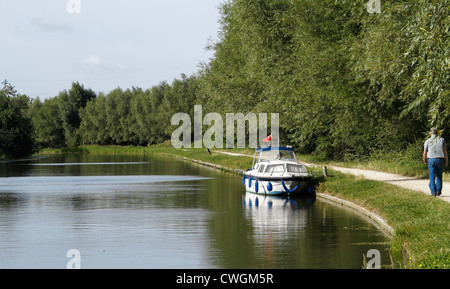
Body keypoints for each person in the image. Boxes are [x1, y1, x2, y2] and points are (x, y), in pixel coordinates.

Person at [423, 128, 448, 196]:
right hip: (440, 159)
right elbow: (445, 151)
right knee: (439, 176)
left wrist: (424, 159)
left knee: (432, 176)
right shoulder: (442, 139)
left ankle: (433, 192)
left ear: (430, 133)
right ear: (437, 133)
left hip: (431, 160)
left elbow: (425, 152)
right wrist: (447, 161)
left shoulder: (427, 141)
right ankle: (438, 191)